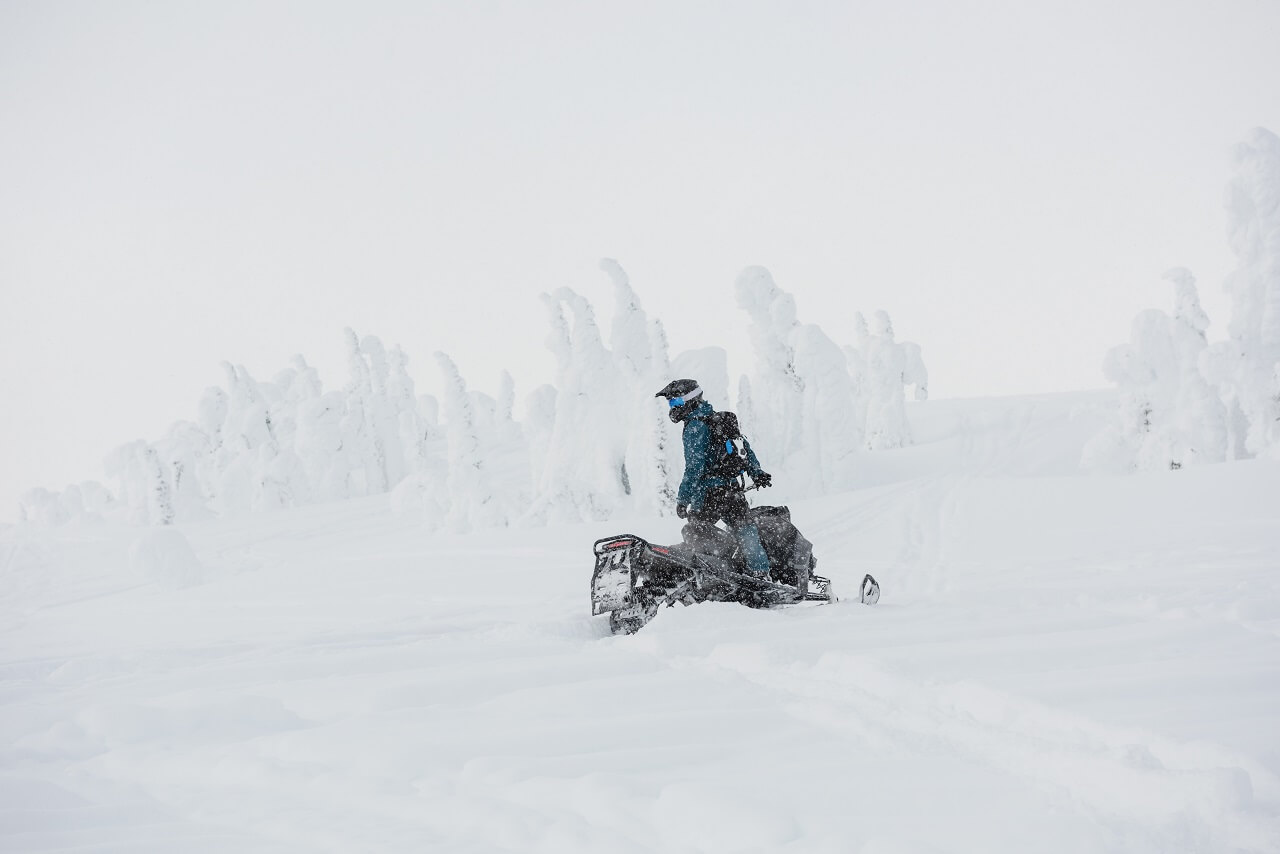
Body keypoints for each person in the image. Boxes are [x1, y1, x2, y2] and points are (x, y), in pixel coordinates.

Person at [654, 378, 774, 577]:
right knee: (746, 530)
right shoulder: (719, 420)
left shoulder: (695, 425)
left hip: (708, 494)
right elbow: (744, 448)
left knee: (696, 535)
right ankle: (761, 572)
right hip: (732, 491)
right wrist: (757, 473)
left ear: (690, 399)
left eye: (676, 401)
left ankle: (705, 576)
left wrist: (683, 499)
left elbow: (694, 468)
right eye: (670, 403)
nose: (673, 407)